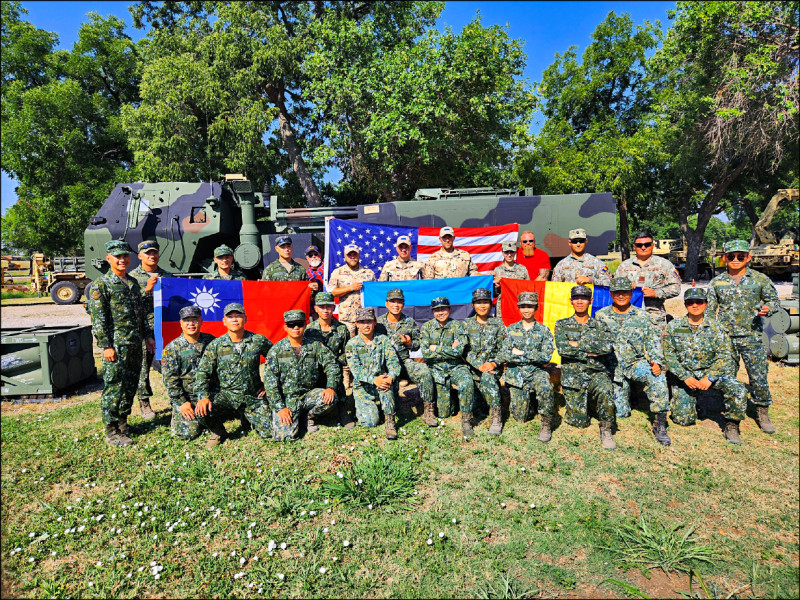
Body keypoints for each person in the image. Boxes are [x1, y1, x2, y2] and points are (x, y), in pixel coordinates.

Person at [706, 239, 780, 433]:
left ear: (748, 257)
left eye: (740, 256)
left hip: (751, 336)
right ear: (724, 258)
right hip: (726, 338)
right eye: (731, 256)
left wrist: (768, 308)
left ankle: (762, 412)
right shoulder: (717, 282)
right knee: (727, 377)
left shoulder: (759, 279)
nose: (736, 259)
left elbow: (773, 301)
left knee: (758, 377)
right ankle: (731, 417)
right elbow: (709, 312)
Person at [87, 240, 155, 447]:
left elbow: (141, 313)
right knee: (114, 388)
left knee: (129, 386)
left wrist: (148, 336)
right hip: (116, 347)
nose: (122, 260)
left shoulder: (133, 283)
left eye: (125, 256)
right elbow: (98, 319)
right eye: (118, 256)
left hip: (134, 344)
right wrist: (106, 346)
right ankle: (111, 431)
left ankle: (123, 424)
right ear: (109, 259)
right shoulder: (101, 285)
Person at [663, 288, 748, 444]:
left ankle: (732, 426)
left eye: (699, 302)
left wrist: (710, 377)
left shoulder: (716, 328)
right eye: (690, 302)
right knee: (683, 420)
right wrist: (685, 376)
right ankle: (694, 402)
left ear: (706, 304)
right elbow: (669, 355)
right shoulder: (674, 327)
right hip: (685, 377)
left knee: (737, 388)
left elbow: (724, 356)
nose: (695, 305)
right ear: (685, 304)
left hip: (710, 375)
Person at [595, 277, 672, 446]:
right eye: (617, 292)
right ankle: (627, 397)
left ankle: (660, 423)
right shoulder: (601, 316)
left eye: (625, 292)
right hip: (612, 367)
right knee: (621, 413)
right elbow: (597, 342)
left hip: (635, 364)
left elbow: (653, 342)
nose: (621, 296)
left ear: (631, 293)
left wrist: (656, 362)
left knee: (657, 378)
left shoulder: (642, 316)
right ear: (611, 293)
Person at [194, 303, 274, 444]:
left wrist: (268, 384)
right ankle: (219, 433)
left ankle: (246, 415)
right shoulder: (216, 345)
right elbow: (202, 372)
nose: (235, 320)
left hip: (252, 397)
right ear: (224, 321)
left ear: (245, 319)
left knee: (270, 433)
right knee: (202, 410)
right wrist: (203, 396)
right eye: (230, 317)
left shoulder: (258, 340)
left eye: (238, 316)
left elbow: (275, 361)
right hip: (227, 396)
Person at [264, 310, 348, 441]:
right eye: (292, 325)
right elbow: (270, 383)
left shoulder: (315, 345)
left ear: (305, 325)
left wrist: (331, 387)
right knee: (284, 436)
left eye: (299, 324)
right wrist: (280, 408)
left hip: (309, 395)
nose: (296, 328)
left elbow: (331, 364)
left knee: (331, 398)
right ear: (285, 327)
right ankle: (295, 417)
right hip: (288, 399)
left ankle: (308, 416)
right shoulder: (276, 351)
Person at [553, 285, 618, 449]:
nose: (580, 301)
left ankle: (606, 429)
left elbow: (608, 347)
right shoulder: (562, 324)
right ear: (571, 301)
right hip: (573, 376)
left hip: (596, 373)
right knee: (579, 423)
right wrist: (590, 351)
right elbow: (563, 349)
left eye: (584, 298)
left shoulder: (600, 325)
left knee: (606, 390)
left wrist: (578, 345)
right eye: (576, 298)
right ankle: (587, 407)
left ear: (591, 301)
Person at [376, 289, 437, 427]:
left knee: (424, 372)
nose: (396, 305)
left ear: (403, 304)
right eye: (393, 301)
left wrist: (410, 343)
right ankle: (387, 411)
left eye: (399, 302)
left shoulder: (409, 322)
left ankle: (428, 410)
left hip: (404, 362)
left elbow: (417, 344)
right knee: (389, 393)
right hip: (386, 366)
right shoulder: (378, 324)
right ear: (386, 304)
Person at [160, 306, 221, 447]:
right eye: (187, 320)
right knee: (189, 434)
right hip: (188, 398)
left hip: (209, 394)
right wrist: (181, 402)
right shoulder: (172, 348)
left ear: (201, 321)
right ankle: (180, 415)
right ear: (180, 323)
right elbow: (170, 380)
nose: (191, 324)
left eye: (194, 320)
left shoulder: (211, 341)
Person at [500, 292, 555, 442]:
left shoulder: (544, 330)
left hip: (537, 372)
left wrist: (521, 352)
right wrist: (532, 355)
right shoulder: (511, 329)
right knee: (520, 417)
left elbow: (546, 357)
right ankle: (530, 404)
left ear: (536, 308)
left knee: (545, 388)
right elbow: (504, 354)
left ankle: (546, 422)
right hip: (516, 374)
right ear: (518, 308)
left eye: (530, 306)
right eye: (523, 306)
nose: (526, 310)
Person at [420, 297, 476, 437]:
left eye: (443, 309)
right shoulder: (427, 327)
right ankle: (452, 403)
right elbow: (426, 353)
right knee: (444, 413)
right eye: (437, 310)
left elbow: (459, 352)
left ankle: (466, 419)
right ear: (433, 312)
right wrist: (449, 348)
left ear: (449, 310)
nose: (440, 312)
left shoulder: (457, 326)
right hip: (436, 368)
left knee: (467, 382)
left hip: (456, 366)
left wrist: (436, 348)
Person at [345, 308, 402, 439]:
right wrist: (374, 379)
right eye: (362, 322)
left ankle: (390, 421)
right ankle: (364, 409)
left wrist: (391, 377)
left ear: (375, 322)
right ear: (356, 324)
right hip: (363, 386)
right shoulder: (351, 344)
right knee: (370, 422)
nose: (366, 325)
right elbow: (356, 370)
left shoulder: (383, 340)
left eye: (369, 321)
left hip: (382, 382)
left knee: (385, 386)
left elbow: (394, 362)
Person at [129, 240, 170, 421]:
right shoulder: (132, 278)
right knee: (143, 368)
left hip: (165, 329)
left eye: (154, 253)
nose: (151, 256)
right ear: (140, 256)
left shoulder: (167, 276)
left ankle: (177, 399)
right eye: (147, 253)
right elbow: (130, 307)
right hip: (144, 330)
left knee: (170, 365)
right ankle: (144, 403)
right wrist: (146, 290)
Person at [462, 288, 508, 435]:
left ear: (491, 304)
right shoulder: (466, 324)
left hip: (492, 368)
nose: (482, 306)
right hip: (471, 367)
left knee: (488, 377)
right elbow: (463, 349)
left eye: (486, 302)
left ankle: (497, 417)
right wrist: (477, 365)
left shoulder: (499, 324)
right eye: (479, 302)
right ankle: (467, 418)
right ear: (473, 305)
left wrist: (494, 363)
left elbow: (505, 349)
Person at [614, 231, 681, 327]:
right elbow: (612, 287)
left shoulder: (664, 265)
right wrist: (624, 286)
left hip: (655, 316)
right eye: (639, 245)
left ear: (652, 245)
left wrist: (656, 293)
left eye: (647, 244)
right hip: (628, 315)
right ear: (634, 247)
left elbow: (676, 287)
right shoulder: (624, 266)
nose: (643, 247)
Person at [305, 292, 351, 401]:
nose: (325, 310)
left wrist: (335, 362)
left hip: (334, 372)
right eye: (321, 307)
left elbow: (348, 352)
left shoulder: (341, 329)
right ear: (315, 308)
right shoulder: (309, 330)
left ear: (334, 307)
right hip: (315, 373)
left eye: (328, 307)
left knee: (340, 403)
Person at [328, 243, 376, 336]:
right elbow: (332, 292)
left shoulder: (369, 273)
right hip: (347, 319)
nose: (352, 257)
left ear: (359, 255)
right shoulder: (338, 272)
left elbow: (375, 293)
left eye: (355, 254)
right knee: (348, 347)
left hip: (365, 320)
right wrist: (351, 288)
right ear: (345, 256)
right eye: (350, 255)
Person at [492, 240, 530, 318]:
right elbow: (494, 294)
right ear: (502, 253)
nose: (509, 255)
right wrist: (496, 286)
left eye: (511, 252)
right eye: (506, 252)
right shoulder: (497, 270)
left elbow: (528, 289)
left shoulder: (522, 269)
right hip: (502, 308)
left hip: (518, 306)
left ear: (515, 252)